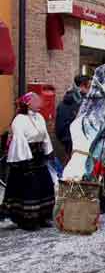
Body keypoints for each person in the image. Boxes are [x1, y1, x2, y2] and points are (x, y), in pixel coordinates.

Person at [0, 92, 55, 230]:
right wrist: (26, 160)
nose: (40, 103)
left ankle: (43, 217)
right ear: (29, 103)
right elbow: (20, 140)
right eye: (37, 101)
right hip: (25, 158)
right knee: (29, 188)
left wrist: (49, 151)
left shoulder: (40, 117)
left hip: (39, 156)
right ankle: (27, 220)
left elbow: (45, 135)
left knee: (46, 185)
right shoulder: (19, 119)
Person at [55, 75, 91, 157]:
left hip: (75, 141)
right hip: (74, 142)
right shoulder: (75, 102)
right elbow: (61, 128)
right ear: (82, 86)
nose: (92, 90)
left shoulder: (82, 101)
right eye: (90, 86)